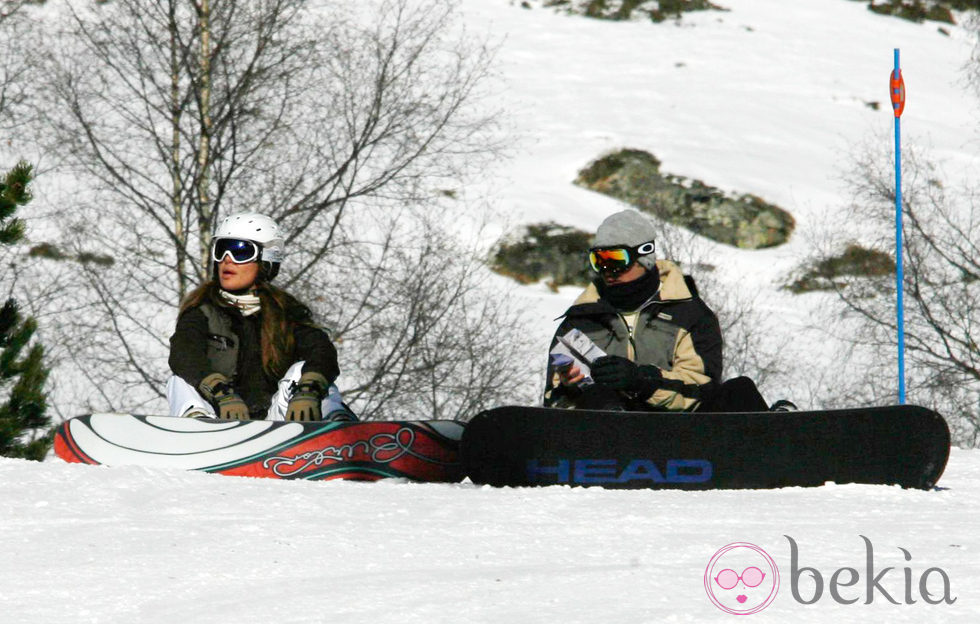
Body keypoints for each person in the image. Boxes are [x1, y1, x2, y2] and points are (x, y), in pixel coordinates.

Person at [543, 209, 775, 413]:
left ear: (644, 256)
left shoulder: (689, 314)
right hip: (609, 437)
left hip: (679, 434)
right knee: (600, 397)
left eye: (615, 259)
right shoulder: (580, 321)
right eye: (599, 260)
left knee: (739, 391)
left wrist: (641, 381)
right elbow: (552, 406)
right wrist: (569, 387)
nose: (607, 270)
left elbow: (701, 390)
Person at [166, 212, 356, 422]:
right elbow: (183, 353)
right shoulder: (202, 312)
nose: (227, 259)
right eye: (221, 249)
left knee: (305, 371)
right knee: (179, 380)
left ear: (265, 261)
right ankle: (196, 428)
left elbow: (321, 351)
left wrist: (309, 389)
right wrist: (220, 392)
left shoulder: (285, 313)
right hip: (221, 419)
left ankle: (339, 431)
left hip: (275, 423)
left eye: (241, 251)